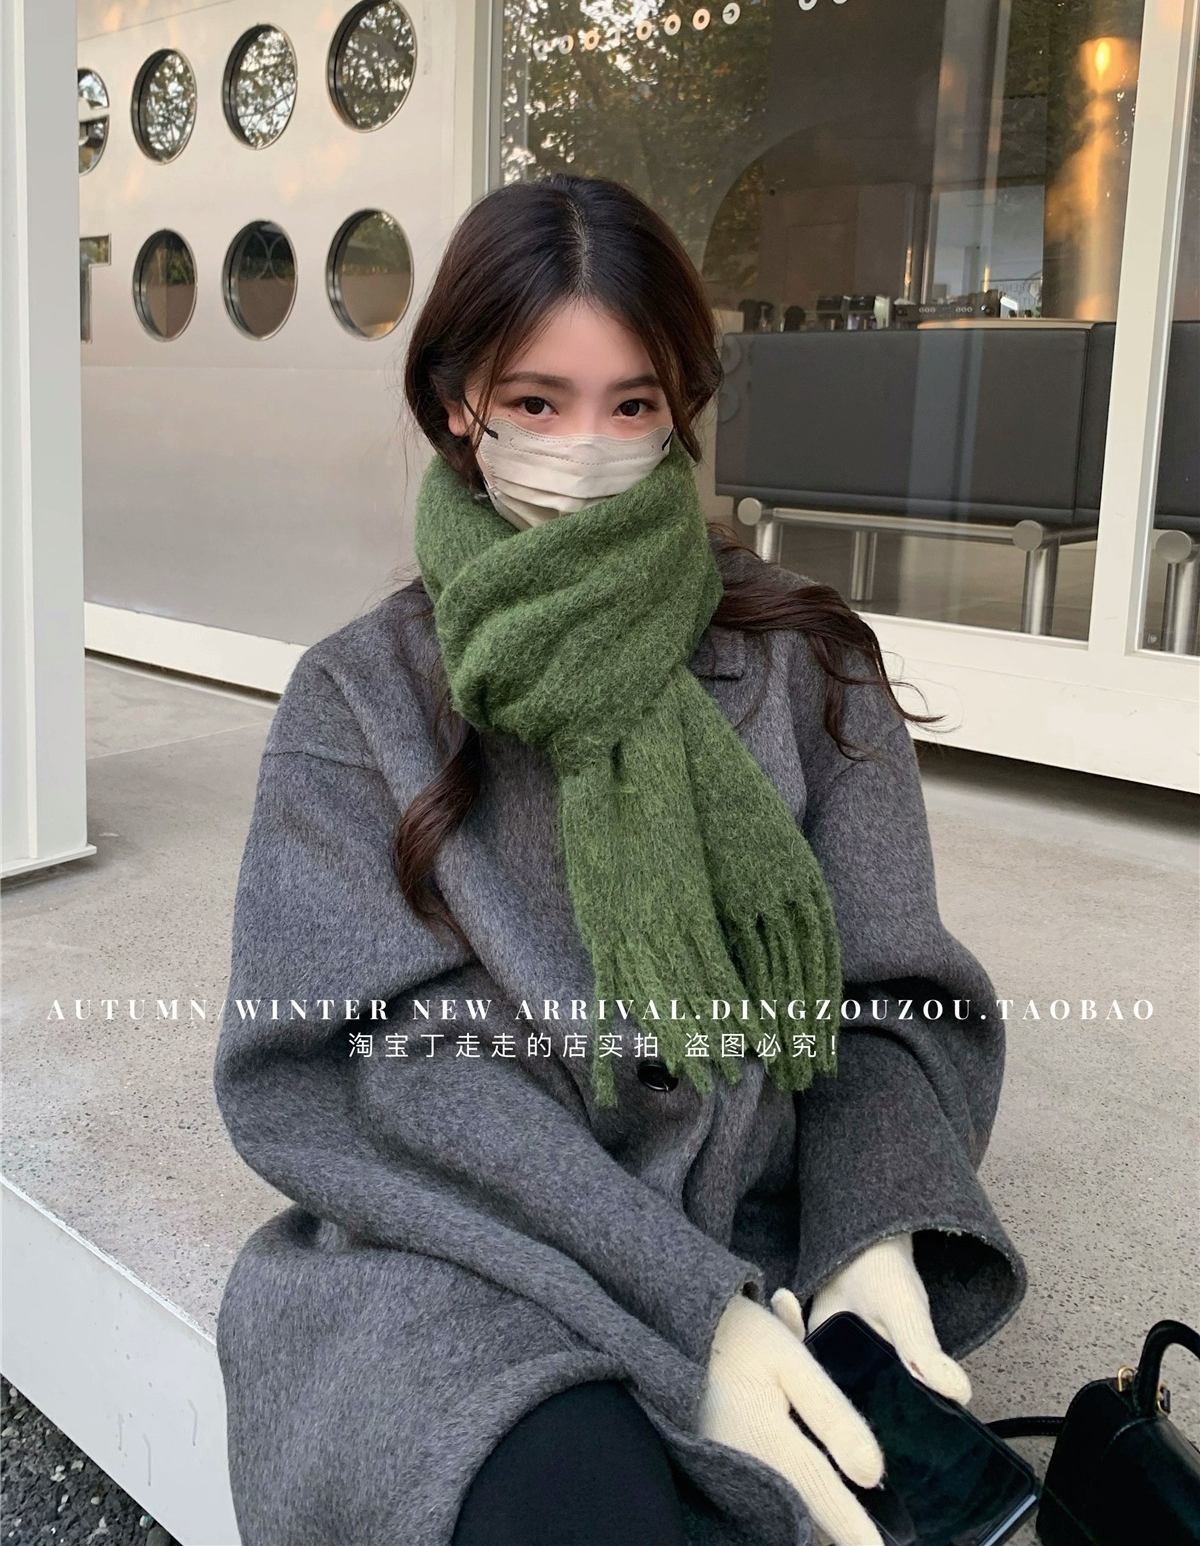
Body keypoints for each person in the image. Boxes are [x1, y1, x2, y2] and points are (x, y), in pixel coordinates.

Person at [212, 173, 1027, 1546]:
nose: (584, 448)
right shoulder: (360, 696)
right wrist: (682, 1309)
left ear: (680, 409)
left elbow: (890, 997)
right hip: (474, 1245)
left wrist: (873, 1232)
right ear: (458, 404)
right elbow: (360, 1063)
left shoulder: (808, 667)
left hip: (764, 1229)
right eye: (537, 403)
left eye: (631, 403)